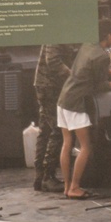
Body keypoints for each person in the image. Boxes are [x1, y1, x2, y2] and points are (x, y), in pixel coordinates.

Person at [57, 18, 111, 199]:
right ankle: (75, 187)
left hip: (64, 98)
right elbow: (101, 85)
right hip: (76, 103)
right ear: (109, 36)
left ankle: (67, 187)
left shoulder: (88, 45)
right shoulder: (102, 55)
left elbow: (101, 70)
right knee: (86, 146)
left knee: (67, 144)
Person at [33, 43, 78, 192]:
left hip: (49, 85)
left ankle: (40, 176)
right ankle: (48, 176)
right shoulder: (58, 32)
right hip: (50, 86)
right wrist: (73, 77)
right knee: (58, 129)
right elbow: (52, 61)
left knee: (45, 130)